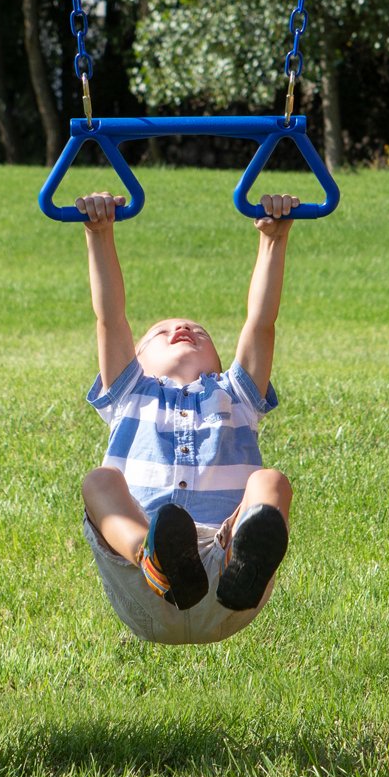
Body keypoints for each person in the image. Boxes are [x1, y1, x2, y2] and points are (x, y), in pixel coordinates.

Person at [75, 189, 299, 644]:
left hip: (229, 580)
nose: (181, 329)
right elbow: (109, 317)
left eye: (197, 331)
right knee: (98, 482)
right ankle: (153, 555)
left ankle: (246, 555)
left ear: (218, 359)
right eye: (161, 332)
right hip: (144, 578)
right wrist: (99, 233)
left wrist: (273, 241)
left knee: (271, 482)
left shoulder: (237, 393)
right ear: (135, 358)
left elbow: (261, 323)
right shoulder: (130, 392)